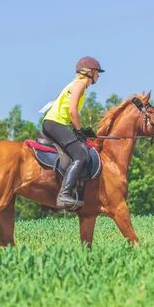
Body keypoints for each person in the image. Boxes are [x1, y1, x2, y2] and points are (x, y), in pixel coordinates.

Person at [42, 56, 103, 208]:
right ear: (90, 72)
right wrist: (79, 130)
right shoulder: (80, 85)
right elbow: (72, 111)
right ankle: (64, 195)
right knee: (81, 155)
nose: (98, 76)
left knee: (78, 150)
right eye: (97, 72)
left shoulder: (76, 85)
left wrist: (80, 131)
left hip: (55, 123)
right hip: (55, 124)